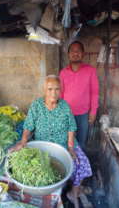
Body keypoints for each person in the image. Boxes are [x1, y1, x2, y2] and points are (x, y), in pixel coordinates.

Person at [10, 75, 92, 208]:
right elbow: (28, 126)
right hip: (43, 144)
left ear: (61, 90)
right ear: (44, 90)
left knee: (81, 162)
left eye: (57, 89)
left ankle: (73, 191)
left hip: (64, 143)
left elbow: (71, 128)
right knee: (34, 166)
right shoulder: (36, 105)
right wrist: (23, 141)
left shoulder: (65, 106)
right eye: (50, 89)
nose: (53, 93)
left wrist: (71, 148)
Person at [60, 41, 99, 151]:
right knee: (67, 141)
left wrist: (93, 112)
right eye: (72, 51)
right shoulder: (63, 72)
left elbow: (94, 92)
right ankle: (69, 163)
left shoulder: (90, 71)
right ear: (68, 54)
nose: (75, 53)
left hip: (83, 115)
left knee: (82, 142)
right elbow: (60, 94)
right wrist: (60, 112)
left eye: (78, 51)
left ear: (83, 54)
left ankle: (81, 164)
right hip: (67, 114)